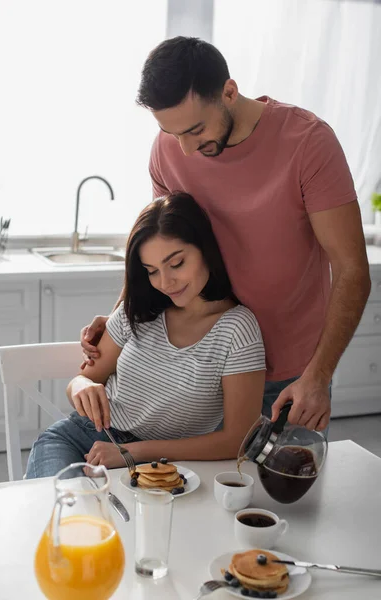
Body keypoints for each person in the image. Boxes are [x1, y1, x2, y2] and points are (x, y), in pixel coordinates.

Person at [81, 37, 370, 433]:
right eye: (172, 132)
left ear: (229, 92)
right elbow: (161, 243)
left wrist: (318, 377)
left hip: (290, 378)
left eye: (196, 130)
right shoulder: (168, 150)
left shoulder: (308, 143)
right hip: (197, 379)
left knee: (281, 493)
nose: (184, 150)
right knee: (184, 495)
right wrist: (124, 313)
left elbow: (352, 269)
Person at [25, 193, 265, 478]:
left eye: (176, 264)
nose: (165, 282)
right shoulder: (138, 311)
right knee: (73, 515)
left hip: (167, 463)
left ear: (205, 249)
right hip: (81, 439)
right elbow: (84, 379)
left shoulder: (238, 328)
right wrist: (80, 387)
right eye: (152, 271)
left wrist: (132, 453)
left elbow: (238, 439)